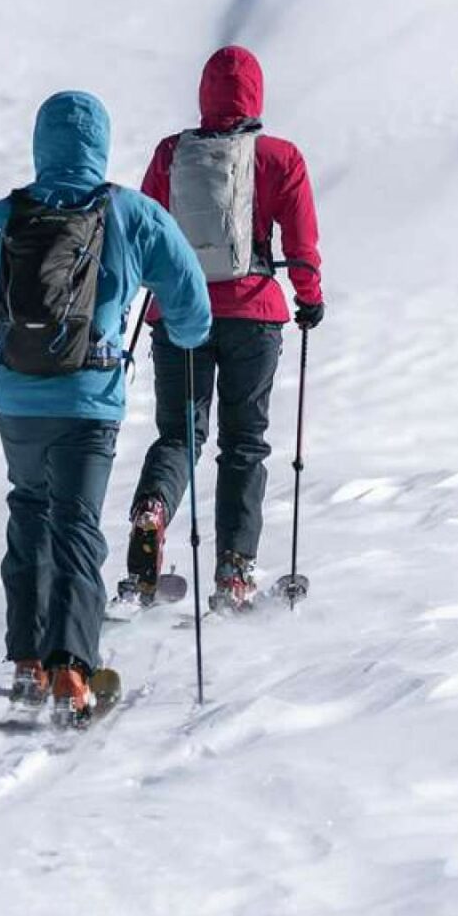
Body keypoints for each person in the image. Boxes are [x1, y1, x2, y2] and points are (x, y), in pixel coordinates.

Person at [0, 90, 211, 724]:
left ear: (41, 144)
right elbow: (190, 297)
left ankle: (27, 663)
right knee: (75, 524)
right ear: (99, 143)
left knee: (29, 511)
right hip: (90, 401)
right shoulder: (130, 212)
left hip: (17, 398)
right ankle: (72, 668)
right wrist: (184, 335)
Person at [121, 45, 324, 612]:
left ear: (204, 93)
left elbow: (144, 230)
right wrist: (309, 299)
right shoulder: (279, 158)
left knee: (179, 435)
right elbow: (302, 247)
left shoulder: (170, 154)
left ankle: (152, 512)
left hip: (180, 317)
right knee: (243, 445)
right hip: (254, 314)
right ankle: (234, 572)